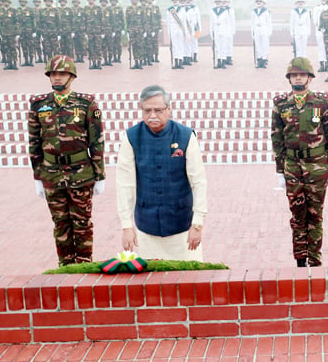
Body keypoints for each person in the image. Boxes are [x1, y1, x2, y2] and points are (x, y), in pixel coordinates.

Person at [28, 55, 105, 266]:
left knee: (81, 223)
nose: (57, 78)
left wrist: (100, 175)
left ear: (72, 76)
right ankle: (65, 267)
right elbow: (34, 143)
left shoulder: (86, 103)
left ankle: (84, 264)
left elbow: (96, 141)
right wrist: (37, 177)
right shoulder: (38, 105)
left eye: (62, 74)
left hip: (81, 172)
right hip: (51, 173)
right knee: (60, 223)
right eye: (53, 74)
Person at [116, 85, 207, 261]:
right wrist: (127, 226)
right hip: (146, 227)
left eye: (158, 110)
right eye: (147, 110)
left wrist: (197, 223)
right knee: (150, 284)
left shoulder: (186, 136)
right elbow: (124, 184)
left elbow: (199, 181)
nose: (152, 115)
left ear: (169, 109)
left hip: (182, 226)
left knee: (188, 282)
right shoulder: (131, 137)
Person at [271, 57, 328, 267]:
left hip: (317, 165)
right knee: (297, 214)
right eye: (294, 75)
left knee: (315, 214)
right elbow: (277, 138)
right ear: (289, 79)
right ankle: (300, 259)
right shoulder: (281, 104)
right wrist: (280, 170)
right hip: (293, 166)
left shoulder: (321, 102)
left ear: (310, 78)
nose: (298, 78)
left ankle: (315, 259)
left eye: (302, 74)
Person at [251, 0, 272, 69]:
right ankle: (259, 61)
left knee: (264, 46)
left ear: (263, 3)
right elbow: (252, 23)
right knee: (258, 46)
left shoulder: (266, 11)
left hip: (264, 30)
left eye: (260, 1)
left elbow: (269, 22)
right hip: (257, 30)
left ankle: (263, 61)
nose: (258, 3)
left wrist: (269, 32)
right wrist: (252, 32)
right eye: (257, 1)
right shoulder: (254, 11)